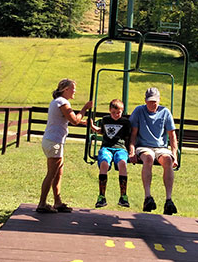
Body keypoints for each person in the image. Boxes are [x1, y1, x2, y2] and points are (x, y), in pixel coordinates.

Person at [36, 78, 93, 213]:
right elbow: (74, 120)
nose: (75, 91)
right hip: (54, 142)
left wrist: (83, 122)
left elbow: (69, 119)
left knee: (58, 173)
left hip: (53, 141)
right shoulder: (62, 102)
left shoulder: (58, 102)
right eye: (73, 88)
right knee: (51, 174)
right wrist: (85, 108)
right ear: (66, 90)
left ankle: (57, 202)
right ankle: (42, 204)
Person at [128, 87, 179, 215]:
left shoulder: (165, 112)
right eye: (150, 101)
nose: (152, 104)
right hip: (144, 146)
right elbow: (132, 134)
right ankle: (148, 197)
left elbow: (172, 136)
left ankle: (168, 199)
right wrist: (132, 151)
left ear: (159, 100)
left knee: (167, 160)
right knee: (149, 158)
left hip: (160, 147)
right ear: (145, 100)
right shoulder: (139, 111)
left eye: (154, 101)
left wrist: (175, 156)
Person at [90, 99, 131, 208]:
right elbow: (102, 131)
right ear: (109, 110)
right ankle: (101, 196)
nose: (116, 115)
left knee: (122, 163)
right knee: (104, 163)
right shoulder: (105, 119)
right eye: (113, 112)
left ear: (122, 111)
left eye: (119, 112)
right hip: (106, 148)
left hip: (120, 148)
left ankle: (123, 196)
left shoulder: (125, 122)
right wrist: (93, 127)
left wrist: (131, 151)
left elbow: (128, 138)